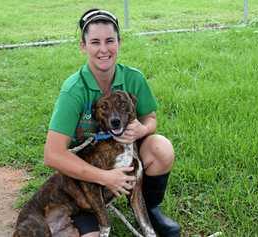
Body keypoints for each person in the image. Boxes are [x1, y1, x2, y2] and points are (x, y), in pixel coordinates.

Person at [44, 8, 180, 237]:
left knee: (161, 147)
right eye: (95, 42)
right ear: (83, 46)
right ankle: (88, 213)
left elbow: (151, 118)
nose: (104, 49)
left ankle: (150, 207)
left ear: (119, 42)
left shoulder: (133, 78)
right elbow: (53, 154)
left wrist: (143, 129)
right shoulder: (74, 89)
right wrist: (105, 178)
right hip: (85, 179)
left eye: (110, 40)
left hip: (124, 156)